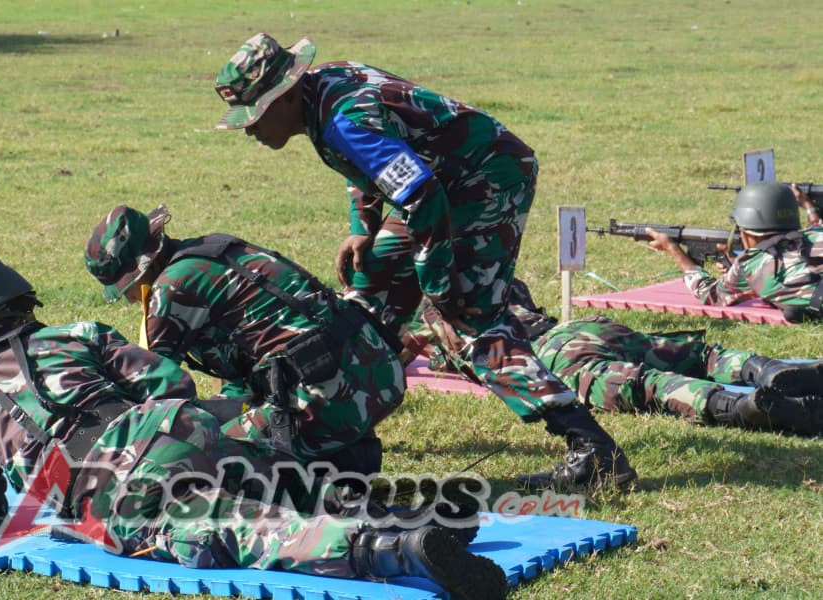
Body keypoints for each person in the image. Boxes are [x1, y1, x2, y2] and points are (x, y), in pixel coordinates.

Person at [0, 247, 507, 599]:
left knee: (236, 530)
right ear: (19, 296)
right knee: (278, 484)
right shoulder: (76, 335)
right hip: (180, 430)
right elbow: (169, 382)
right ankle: (397, 511)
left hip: (114, 493)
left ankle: (392, 549)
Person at [212, 33, 635, 492]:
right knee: (360, 303)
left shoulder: (344, 121)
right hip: (439, 184)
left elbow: (420, 191)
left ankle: (595, 453)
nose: (250, 130)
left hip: (485, 180)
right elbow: (379, 164)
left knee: (467, 322)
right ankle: (332, 430)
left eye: (255, 116)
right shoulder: (323, 88)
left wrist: (438, 289)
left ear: (287, 94)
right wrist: (364, 223)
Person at [83, 204, 406, 477]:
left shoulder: (172, 289)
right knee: (231, 421)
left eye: (125, 285)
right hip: (378, 371)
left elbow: (151, 391)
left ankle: (316, 483)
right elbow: (245, 361)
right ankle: (340, 458)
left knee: (203, 456)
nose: (127, 297)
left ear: (145, 265)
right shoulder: (212, 251)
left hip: (331, 395)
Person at [404, 280, 823, 436]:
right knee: (695, 355)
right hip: (581, 327)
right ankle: (766, 369)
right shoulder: (497, 277)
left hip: (551, 355)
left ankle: (743, 408)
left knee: (646, 385)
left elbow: (402, 354)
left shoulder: (434, 312)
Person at [646, 182, 823, 322]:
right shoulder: (817, 232)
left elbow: (710, 294)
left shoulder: (749, 265)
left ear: (746, 231)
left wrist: (673, 249)